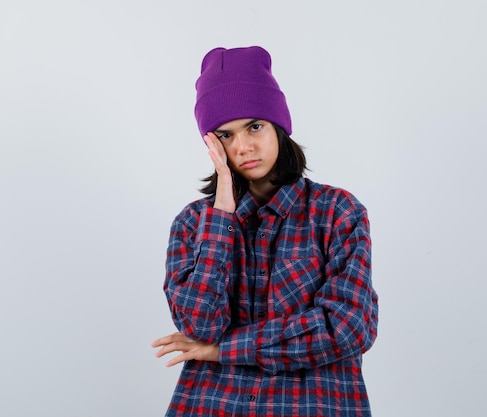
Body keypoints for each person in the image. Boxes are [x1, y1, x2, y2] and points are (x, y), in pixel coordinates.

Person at [151, 46, 379, 417]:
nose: (243, 147)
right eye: (225, 135)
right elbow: (200, 326)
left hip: (315, 405)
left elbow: (346, 328)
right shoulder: (194, 223)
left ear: (278, 126)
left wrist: (222, 351)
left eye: (254, 126)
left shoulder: (338, 212)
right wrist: (221, 215)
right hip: (212, 404)